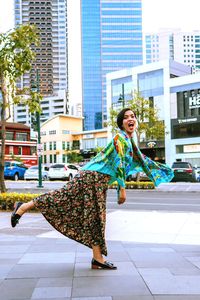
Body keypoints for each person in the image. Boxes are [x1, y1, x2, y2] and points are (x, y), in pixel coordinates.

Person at [11, 108, 174, 270]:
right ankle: (23, 207)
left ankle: (97, 259)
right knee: (65, 200)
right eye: (126, 117)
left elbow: (139, 160)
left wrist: (159, 168)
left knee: (95, 217)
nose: (130, 119)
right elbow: (120, 164)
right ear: (121, 123)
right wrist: (122, 189)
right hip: (92, 177)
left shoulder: (129, 141)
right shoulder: (120, 138)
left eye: (132, 116)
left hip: (97, 180)